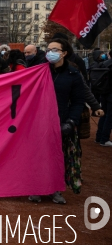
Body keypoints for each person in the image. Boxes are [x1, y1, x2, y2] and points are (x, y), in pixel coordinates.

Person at [29, 38, 85, 204]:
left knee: (57, 156)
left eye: (55, 49)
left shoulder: (73, 75)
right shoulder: (39, 70)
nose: (50, 52)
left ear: (64, 53)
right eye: (48, 49)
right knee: (37, 155)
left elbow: (78, 101)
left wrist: (71, 122)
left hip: (61, 121)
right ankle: (36, 187)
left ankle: (55, 189)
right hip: (38, 120)